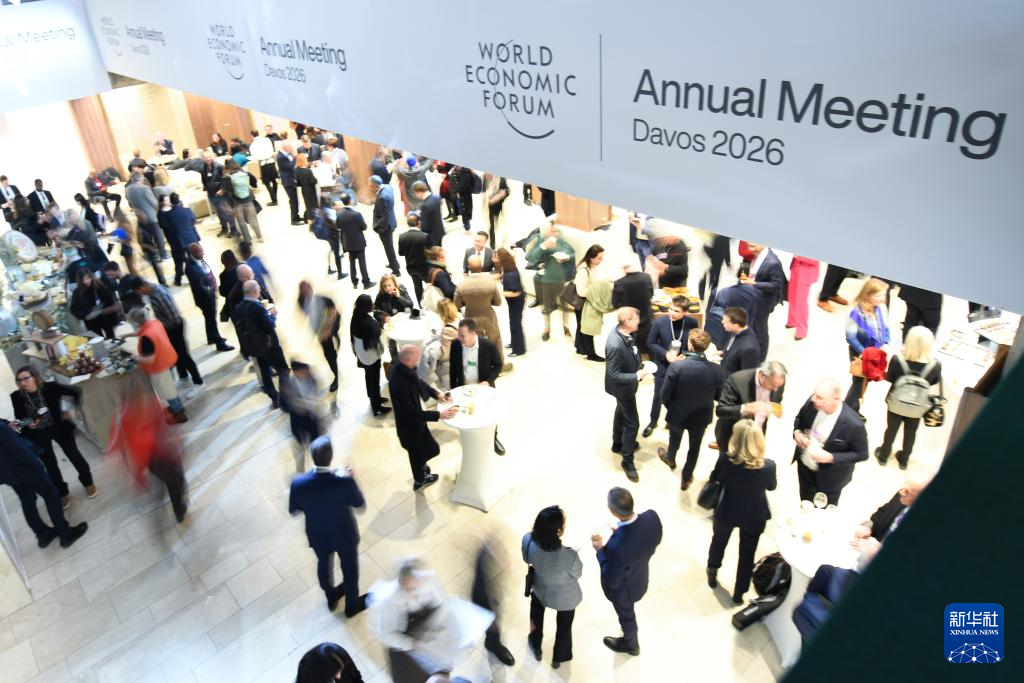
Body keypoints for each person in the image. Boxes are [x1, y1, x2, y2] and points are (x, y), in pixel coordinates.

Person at [289, 436, 369, 616]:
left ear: (312, 456)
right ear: (331, 457)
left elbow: (294, 510)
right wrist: (352, 479)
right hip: (344, 534)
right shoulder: (343, 481)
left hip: (318, 535)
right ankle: (351, 606)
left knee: (323, 566)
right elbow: (359, 504)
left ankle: (331, 595)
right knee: (349, 569)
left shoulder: (298, 483)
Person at [706, 419, 777, 604]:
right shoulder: (769, 466)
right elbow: (771, 487)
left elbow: (714, 478)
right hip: (754, 515)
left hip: (727, 510)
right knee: (747, 555)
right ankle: (739, 593)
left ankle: (712, 572)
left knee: (718, 542)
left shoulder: (725, 461)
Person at [10, 366, 95, 508]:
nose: (22, 383)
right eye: (19, 380)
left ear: (35, 377)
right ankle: (62, 493)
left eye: (26, 378)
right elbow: (20, 418)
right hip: (38, 434)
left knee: (74, 455)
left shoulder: (50, 388)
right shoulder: (17, 397)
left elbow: (75, 391)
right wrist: (25, 423)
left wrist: (70, 410)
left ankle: (88, 482)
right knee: (50, 465)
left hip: (59, 428)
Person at [592, 487, 662, 656]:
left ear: (612, 511)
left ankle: (631, 644)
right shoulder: (652, 517)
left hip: (625, 591)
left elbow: (611, 579)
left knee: (627, 616)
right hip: (640, 577)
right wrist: (620, 531)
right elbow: (647, 540)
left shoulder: (616, 548)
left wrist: (600, 550)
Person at [0, 420, 88, 548]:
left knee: (27, 500)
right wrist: (35, 460)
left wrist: (7, 425)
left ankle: (43, 534)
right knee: (51, 495)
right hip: (25, 467)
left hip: (8, 474)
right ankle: (65, 533)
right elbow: (18, 449)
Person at [658, 329, 723, 489]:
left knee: (674, 439)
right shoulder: (716, 369)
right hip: (701, 415)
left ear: (690, 345)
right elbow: (718, 395)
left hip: (678, 414)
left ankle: (670, 458)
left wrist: (672, 408)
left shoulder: (676, 367)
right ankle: (686, 477)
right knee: (694, 448)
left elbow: (664, 395)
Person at [372, 557, 456, 681]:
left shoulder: (428, 579)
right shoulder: (389, 602)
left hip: (432, 640)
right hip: (405, 648)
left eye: (418, 585)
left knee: (440, 674)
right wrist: (412, 644)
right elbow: (385, 634)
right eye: (409, 589)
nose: (414, 594)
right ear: (401, 582)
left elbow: (442, 604)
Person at [388, 345, 457, 491]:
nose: (419, 362)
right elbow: (412, 414)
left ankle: (421, 469)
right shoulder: (399, 383)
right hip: (409, 428)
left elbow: (418, 381)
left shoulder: (403, 369)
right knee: (417, 455)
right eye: (417, 359)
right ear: (408, 360)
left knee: (428, 450)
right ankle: (419, 480)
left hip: (416, 424)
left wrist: (437, 394)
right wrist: (439, 415)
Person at [792, 378, 870, 505]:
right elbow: (800, 418)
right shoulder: (812, 403)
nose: (814, 399)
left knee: (822, 511)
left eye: (820, 397)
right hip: (805, 468)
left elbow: (862, 454)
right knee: (805, 502)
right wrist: (797, 433)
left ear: (836, 398)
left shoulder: (854, 424)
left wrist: (830, 457)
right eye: (815, 395)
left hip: (830, 479)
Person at [523, 505, 582, 668]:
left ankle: (536, 646)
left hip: (540, 589)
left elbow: (526, 558)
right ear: (559, 531)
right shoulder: (570, 555)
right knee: (565, 626)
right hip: (565, 597)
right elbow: (577, 574)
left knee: (536, 615)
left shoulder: (528, 540)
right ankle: (559, 658)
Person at [876, 326, 942, 469]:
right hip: (918, 406)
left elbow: (889, 378)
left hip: (896, 402)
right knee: (911, 432)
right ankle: (904, 460)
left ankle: (883, 456)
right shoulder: (935, 365)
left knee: (891, 429)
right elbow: (934, 382)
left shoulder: (897, 360)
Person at [127, 277, 203, 388]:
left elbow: (173, 319)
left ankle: (198, 382)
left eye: (139, 292)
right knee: (175, 353)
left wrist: (157, 327)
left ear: (142, 287)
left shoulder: (160, 295)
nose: (141, 295)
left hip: (175, 327)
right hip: (169, 326)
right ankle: (183, 376)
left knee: (183, 355)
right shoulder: (152, 292)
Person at [605, 307, 651, 482]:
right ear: (627, 322)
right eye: (636, 319)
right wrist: (636, 376)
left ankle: (617, 443)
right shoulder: (615, 345)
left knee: (620, 412)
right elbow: (613, 375)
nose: (639, 321)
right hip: (622, 389)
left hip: (625, 389)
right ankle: (627, 459)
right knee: (633, 424)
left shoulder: (624, 333)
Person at [644, 295, 699, 436]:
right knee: (658, 395)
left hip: (682, 366)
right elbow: (650, 342)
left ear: (685, 312)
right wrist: (665, 354)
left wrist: (685, 355)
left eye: (676, 311)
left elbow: (694, 343)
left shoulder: (692, 323)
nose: (672, 313)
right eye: (671, 309)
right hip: (663, 364)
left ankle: (671, 419)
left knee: (677, 395)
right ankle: (653, 421)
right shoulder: (660, 322)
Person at [449, 319, 504, 454]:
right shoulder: (455, 345)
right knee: (468, 415)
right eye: (459, 335)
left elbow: (498, 365)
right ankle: (472, 441)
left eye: (463, 335)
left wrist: (488, 381)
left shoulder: (488, 346)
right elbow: (453, 368)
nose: (459, 338)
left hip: (483, 388)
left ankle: (493, 438)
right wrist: (453, 390)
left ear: (473, 334)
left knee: (489, 415)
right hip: (464, 389)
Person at [233, 280, 290, 408]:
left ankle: (273, 396)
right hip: (270, 346)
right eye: (259, 289)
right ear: (254, 291)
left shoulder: (239, 307)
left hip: (255, 346)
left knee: (265, 371)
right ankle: (285, 399)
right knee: (283, 370)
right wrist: (273, 315)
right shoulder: (258, 308)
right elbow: (269, 326)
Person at [127, 307, 187, 423]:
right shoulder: (155, 323)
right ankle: (178, 407)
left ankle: (179, 413)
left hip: (158, 366)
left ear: (135, 322)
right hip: (167, 358)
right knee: (170, 387)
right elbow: (142, 330)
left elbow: (149, 360)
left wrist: (135, 357)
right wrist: (128, 335)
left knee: (167, 391)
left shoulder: (146, 338)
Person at [715, 362, 787, 453]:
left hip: (757, 436)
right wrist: (746, 408)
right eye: (772, 384)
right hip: (733, 436)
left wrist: (772, 408)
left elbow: (777, 399)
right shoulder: (737, 380)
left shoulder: (778, 382)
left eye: (778, 386)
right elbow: (721, 410)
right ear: (762, 376)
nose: (775, 389)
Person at [844, 278, 891, 412]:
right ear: (867, 294)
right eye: (878, 295)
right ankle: (847, 412)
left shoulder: (881, 308)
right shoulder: (855, 312)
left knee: (866, 382)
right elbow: (850, 337)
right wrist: (865, 352)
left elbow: (885, 328)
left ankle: (853, 410)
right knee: (858, 383)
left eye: (884, 295)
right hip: (859, 352)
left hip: (876, 352)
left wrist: (885, 343)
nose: (882, 298)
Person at [527, 224, 575, 341]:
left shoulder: (563, 243)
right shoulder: (543, 243)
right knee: (546, 307)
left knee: (564, 306)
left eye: (555, 231)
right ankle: (547, 329)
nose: (552, 233)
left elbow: (572, 255)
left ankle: (566, 327)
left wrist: (567, 258)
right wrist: (543, 247)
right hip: (548, 279)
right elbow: (531, 257)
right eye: (550, 231)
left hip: (563, 278)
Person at [739, 243, 787, 361]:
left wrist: (755, 283)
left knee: (761, 330)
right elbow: (747, 270)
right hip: (752, 298)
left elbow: (777, 285)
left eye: (753, 246)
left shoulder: (773, 262)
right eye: (749, 246)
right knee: (751, 325)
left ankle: (761, 357)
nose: (750, 249)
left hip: (764, 302)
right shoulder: (754, 255)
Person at [185, 243, 235, 351]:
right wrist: (211, 292)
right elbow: (200, 285)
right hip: (205, 298)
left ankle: (211, 338)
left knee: (209, 318)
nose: (202, 253)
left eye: (202, 250)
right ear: (192, 253)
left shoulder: (199, 260)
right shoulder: (191, 268)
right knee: (211, 320)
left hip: (209, 295)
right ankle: (219, 343)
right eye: (199, 252)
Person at [454, 256, 504, 363]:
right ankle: (499, 364)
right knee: (496, 340)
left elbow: (456, 305)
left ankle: (480, 365)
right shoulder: (490, 283)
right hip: (488, 317)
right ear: (481, 266)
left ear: (468, 267)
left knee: (474, 344)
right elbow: (498, 302)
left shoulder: (461, 285)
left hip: (471, 319)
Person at [351, 294, 391, 416]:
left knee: (368, 376)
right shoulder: (367, 322)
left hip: (362, 353)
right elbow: (377, 332)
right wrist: (381, 322)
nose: (373, 304)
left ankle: (373, 396)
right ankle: (376, 406)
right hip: (371, 355)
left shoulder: (356, 316)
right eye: (371, 303)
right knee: (374, 379)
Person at [298, 280, 341, 392]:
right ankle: (335, 368)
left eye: (308, 289)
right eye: (304, 290)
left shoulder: (323, 299)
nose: (307, 292)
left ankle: (337, 377)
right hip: (320, 330)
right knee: (329, 353)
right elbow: (307, 314)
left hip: (329, 326)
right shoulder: (301, 301)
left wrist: (327, 330)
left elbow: (333, 313)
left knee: (330, 354)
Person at [611, 264, 655, 354]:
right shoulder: (647, 277)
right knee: (648, 342)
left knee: (632, 345)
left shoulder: (619, 282)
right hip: (646, 315)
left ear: (624, 269)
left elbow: (615, 303)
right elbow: (651, 294)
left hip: (630, 318)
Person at [418, 300, 460, 392]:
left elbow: (445, 352)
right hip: (457, 361)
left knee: (448, 390)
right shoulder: (459, 320)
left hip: (447, 365)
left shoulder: (448, 330)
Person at [159, 193, 200, 286]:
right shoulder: (187, 210)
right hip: (191, 238)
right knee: (195, 259)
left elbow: (165, 226)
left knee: (178, 262)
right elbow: (193, 220)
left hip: (178, 241)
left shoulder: (168, 215)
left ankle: (178, 280)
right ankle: (196, 276)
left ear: (171, 202)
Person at [573, 245, 606, 361]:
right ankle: (591, 354)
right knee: (587, 329)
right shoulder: (583, 270)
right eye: (599, 258)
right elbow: (581, 291)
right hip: (583, 304)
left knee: (581, 326)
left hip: (587, 302)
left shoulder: (592, 266)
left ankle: (580, 348)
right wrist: (596, 290)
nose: (601, 260)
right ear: (591, 257)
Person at [125, 172, 167, 259]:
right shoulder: (144, 188)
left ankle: (153, 255)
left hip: (140, 216)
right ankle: (163, 254)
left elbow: (130, 204)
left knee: (147, 237)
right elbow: (154, 203)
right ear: (141, 178)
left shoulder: (128, 189)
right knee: (158, 236)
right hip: (152, 216)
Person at [70, 269, 120, 338]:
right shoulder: (77, 292)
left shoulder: (99, 286)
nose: (85, 281)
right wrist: (84, 316)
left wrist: (112, 318)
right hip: (91, 323)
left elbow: (110, 301)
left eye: (87, 278)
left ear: (91, 277)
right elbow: (74, 308)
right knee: (97, 340)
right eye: (83, 280)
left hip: (106, 319)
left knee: (111, 337)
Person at [335, 194, 371, 288]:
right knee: (362, 263)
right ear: (350, 201)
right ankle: (366, 282)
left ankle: (354, 282)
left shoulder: (339, 213)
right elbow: (364, 227)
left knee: (352, 263)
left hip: (348, 243)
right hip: (358, 242)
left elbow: (338, 226)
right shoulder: (356, 214)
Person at [222, 158, 263, 242]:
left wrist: (230, 204)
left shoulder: (227, 177)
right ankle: (259, 237)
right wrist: (253, 186)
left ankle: (247, 240)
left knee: (241, 222)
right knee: (253, 219)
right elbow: (254, 180)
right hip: (248, 199)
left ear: (226, 167)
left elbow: (229, 192)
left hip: (237, 203)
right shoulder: (245, 173)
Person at [495, 248, 526, 357]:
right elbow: (501, 276)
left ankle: (519, 350)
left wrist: (498, 292)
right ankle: (514, 343)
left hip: (516, 302)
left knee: (515, 324)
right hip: (513, 302)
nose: (494, 258)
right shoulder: (508, 267)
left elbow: (515, 293)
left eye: (496, 257)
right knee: (512, 323)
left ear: (501, 259)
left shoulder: (511, 275)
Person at [368, 174, 402, 275]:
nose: (369, 188)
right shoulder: (387, 187)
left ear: (375, 186)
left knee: (389, 248)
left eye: (370, 186)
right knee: (389, 246)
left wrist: (380, 228)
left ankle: (396, 270)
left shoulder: (381, 198)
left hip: (386, 227)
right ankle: (393, 263)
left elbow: (384, 217)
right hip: (392, 222)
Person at [199, 150, 237, 237]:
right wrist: (206, 189)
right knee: (219, 213)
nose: (208, 159)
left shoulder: (219, 166)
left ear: (212, 156)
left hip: (221, 194)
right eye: (206, 157)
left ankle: (234, 230)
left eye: (209, 156)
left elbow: (225, 179)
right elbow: (204, 181)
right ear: (203, 158)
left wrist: (223, 189)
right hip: (211, 194)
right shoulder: (203, 168)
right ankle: (224, 229)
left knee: (227, 212)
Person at [718, 306, 761, 376]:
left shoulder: (749, 349)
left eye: (726, 322)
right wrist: (724, 353)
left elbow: (745, 376)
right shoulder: (742, 330)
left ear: (736, 325)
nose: (722, 322)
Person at [398, 213, 430, 305]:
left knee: (417, 286)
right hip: (424, 267)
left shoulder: (402, 237)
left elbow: (400, 253)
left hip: (411, 268)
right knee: (431, 285)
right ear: (418, 223)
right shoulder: (424, 236)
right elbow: (430, 253)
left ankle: (420, 305)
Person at [786, 255, 819, 341]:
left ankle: (802, 329)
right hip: (795, 266)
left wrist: (799, 256)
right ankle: (792, 320)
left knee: (801, 301)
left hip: (807, 269)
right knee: (792, 296)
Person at [294, 642, 363, 683]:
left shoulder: (339, 654)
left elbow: (355, 677)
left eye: (340, 670)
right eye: (335, 673)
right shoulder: (308, 676)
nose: (339, 676)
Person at [277, 142, 302, 225]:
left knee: (295, 200)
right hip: (288, 181)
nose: (292, 149)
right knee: (293, 200)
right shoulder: (280, 157)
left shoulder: (287, 154)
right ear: (285, 147)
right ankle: (294, 219)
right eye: (291, 147)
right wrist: (295, 157)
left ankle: (296, 216)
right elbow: (291, 166)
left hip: (291, 179)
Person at [414, 181, 444, 248]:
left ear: (420, 192)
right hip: (439, 230)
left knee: (433, 253)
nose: (416, 196)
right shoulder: (436, 197)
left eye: (416, 194)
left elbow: (425, 227)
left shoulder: (425, 205)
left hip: (431, 236)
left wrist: (419, 224)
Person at [483, 173, 509, 245]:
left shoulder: (501, 179)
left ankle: (503, 242)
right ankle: (492, 243)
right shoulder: (484, 178)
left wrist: (498, 197)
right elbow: (483, 191)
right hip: (490, 206)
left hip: (501, 205)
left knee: (501, 224)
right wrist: (486, 197)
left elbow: (507, 191)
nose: (487, 175)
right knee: (491, 225)